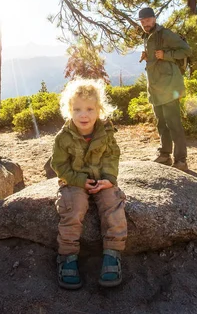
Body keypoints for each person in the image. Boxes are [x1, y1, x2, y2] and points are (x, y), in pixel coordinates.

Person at [51, 78, 127, 290]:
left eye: (89, 109)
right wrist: (78, 181)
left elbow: (112, 156)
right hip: (74, 181)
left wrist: (109, 180)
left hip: (101, 179)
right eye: (77, 109)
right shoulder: (63, 138)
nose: (83, 114)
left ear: (100, 109)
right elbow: (58, 164)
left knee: (113, 202)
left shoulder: (106, 133)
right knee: (73, 207)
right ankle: (67, 256)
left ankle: (112, 253)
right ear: (69, 111)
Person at [138, 6, 192, 172]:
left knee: (174, 123)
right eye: (142, 21)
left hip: (169, 87)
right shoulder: (147, 37)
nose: (145, 23)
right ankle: (165, 155)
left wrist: (166, 55)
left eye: (147, 20)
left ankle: (181, 160)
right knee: (161, 123)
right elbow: (156, 58)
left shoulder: (166, 34)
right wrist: (148, 56)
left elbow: (186, 50)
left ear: (154, 19)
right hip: (155, 88)